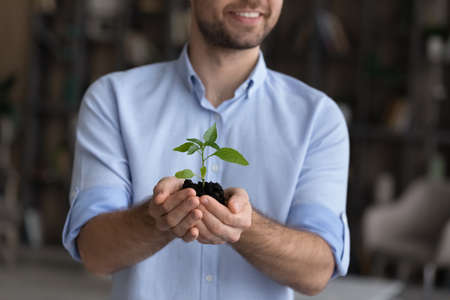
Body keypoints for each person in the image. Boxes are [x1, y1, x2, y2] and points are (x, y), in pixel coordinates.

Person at [62, 0, 350, 299]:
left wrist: (245, 227)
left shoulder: (318, 119)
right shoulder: (112, 101)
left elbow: (317, 271)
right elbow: (94, 253)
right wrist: (156, 219)